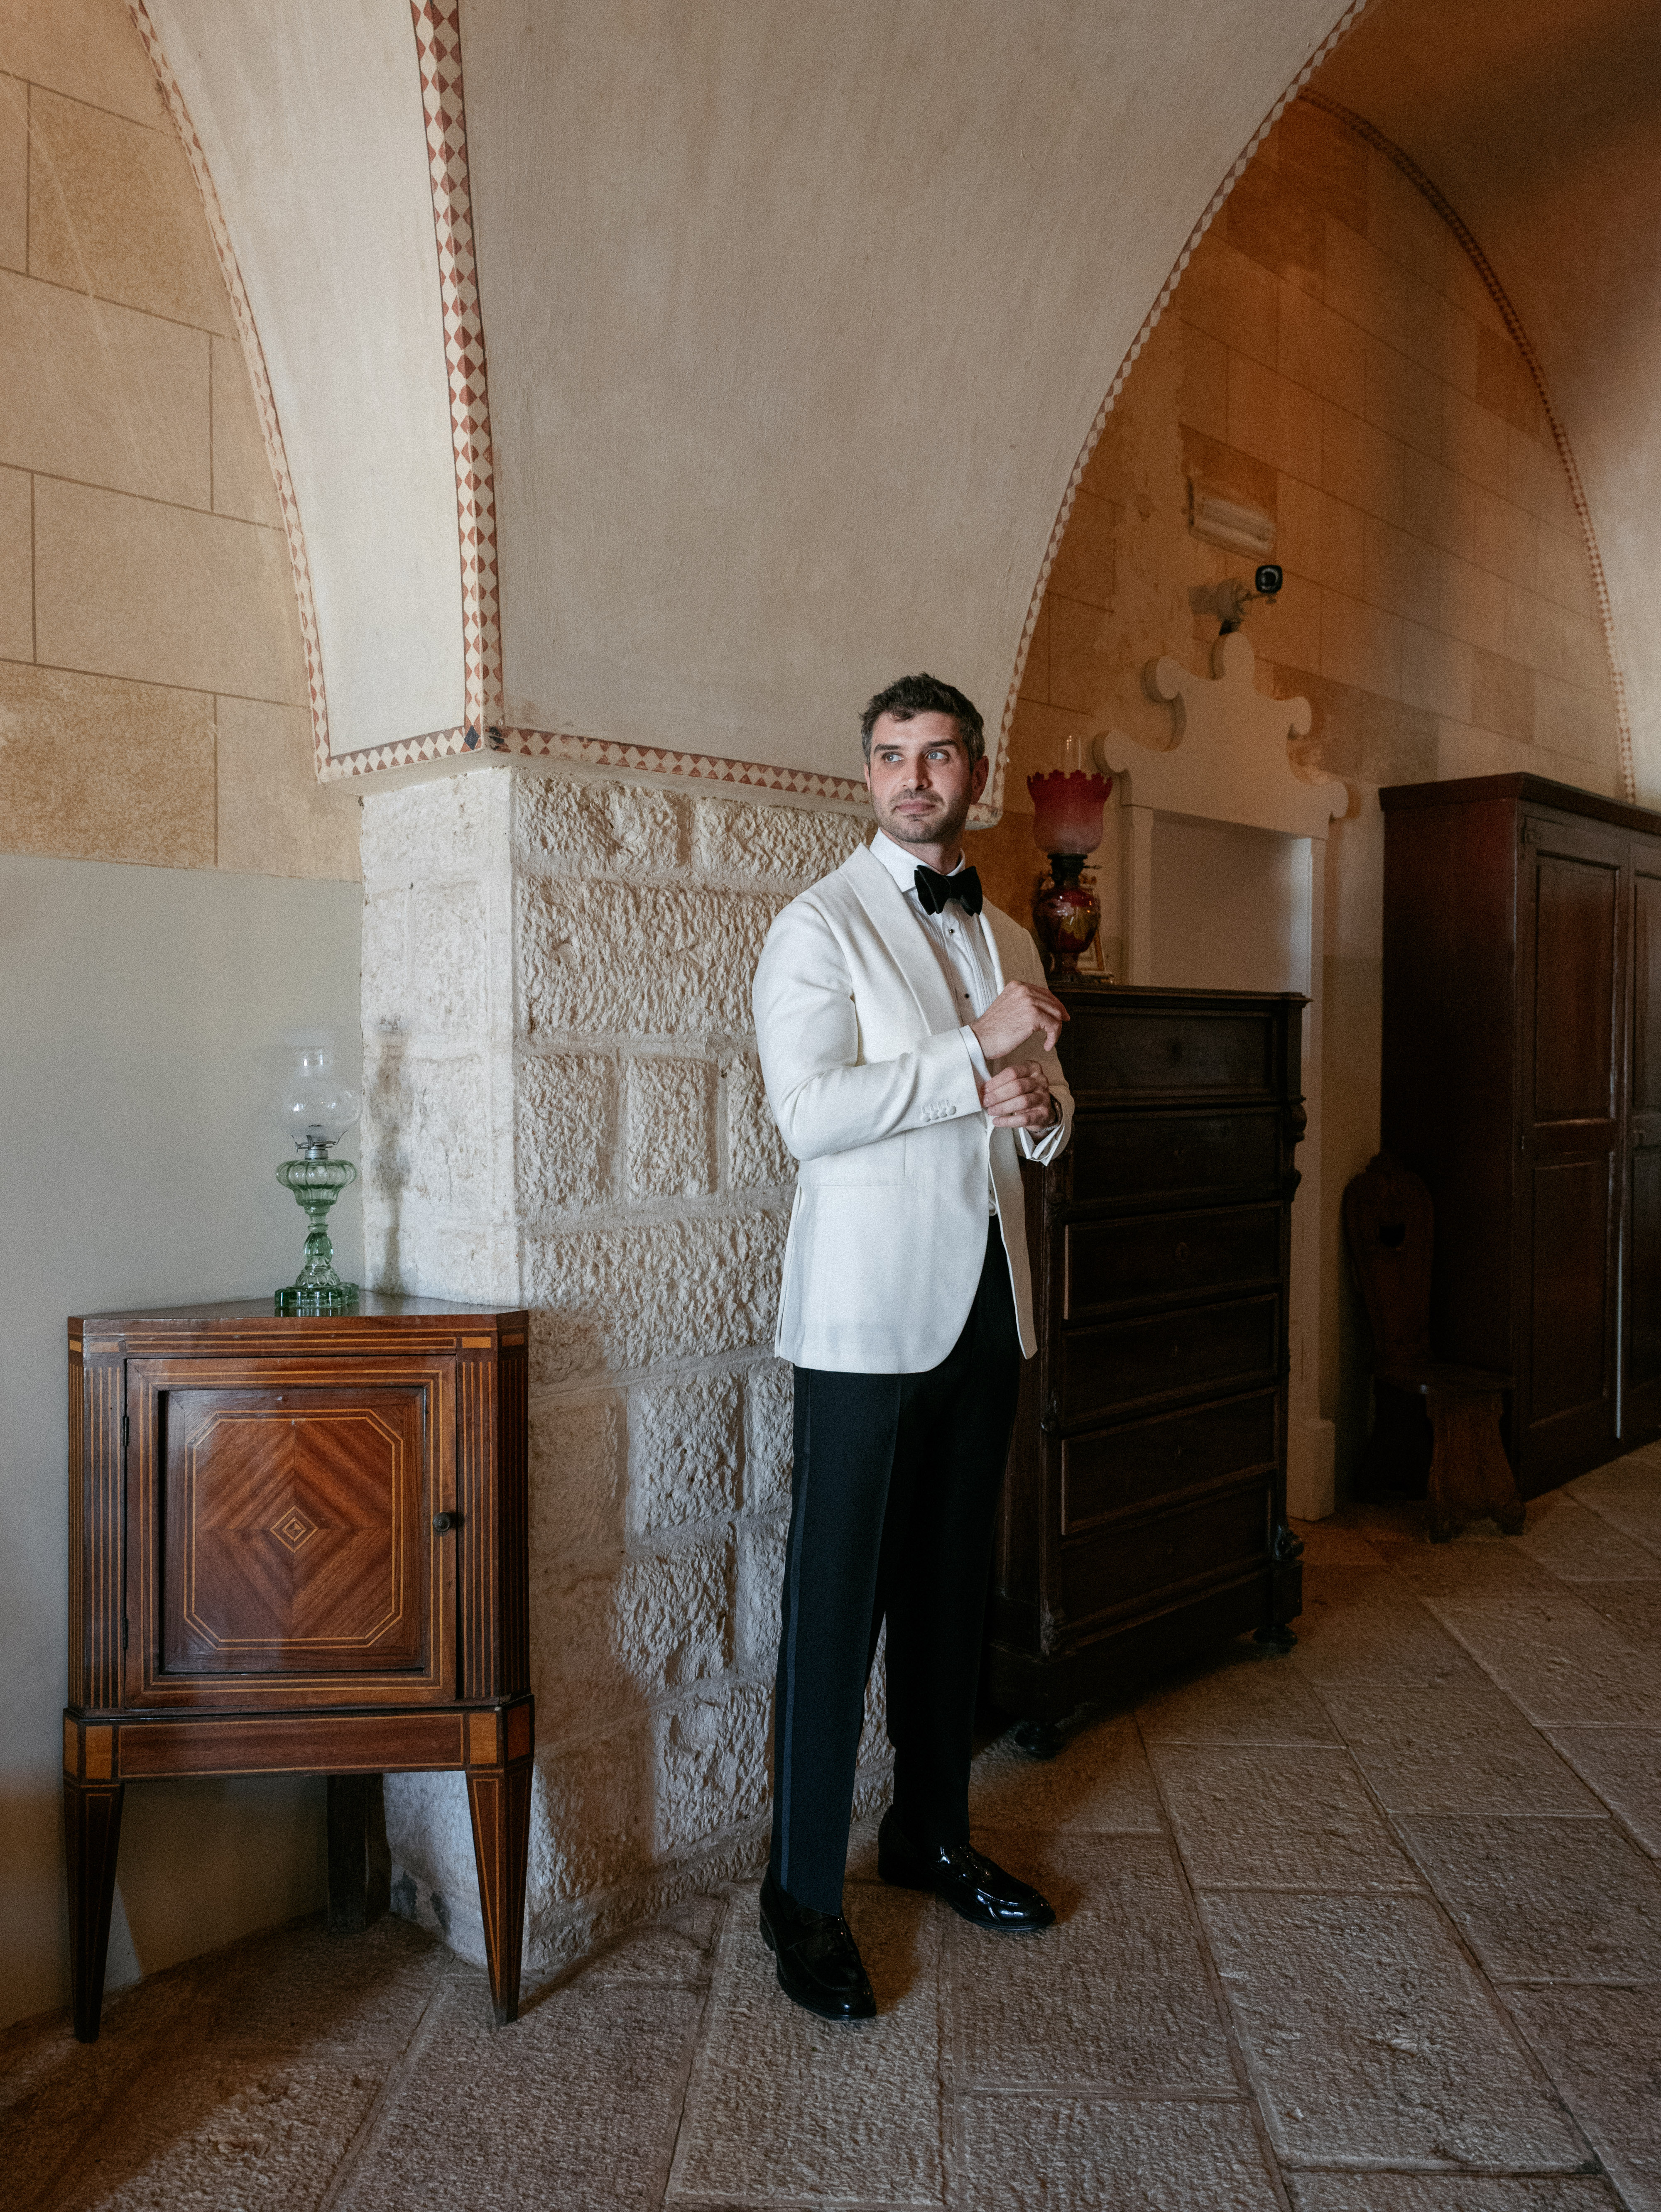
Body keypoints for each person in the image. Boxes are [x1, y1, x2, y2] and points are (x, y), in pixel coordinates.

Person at [751, 671, 1075, 2021]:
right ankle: (801, 1897)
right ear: (868, 773)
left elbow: (1042, 1114)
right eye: (893, 755)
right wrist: (969, 1052)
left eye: (940, 756)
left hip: (988, 1307)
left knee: (949, 1596)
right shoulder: (816, 926)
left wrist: (1044, 1104)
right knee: (837, 1613)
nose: (915, 778)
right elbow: (810, 1116)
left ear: (974, 775)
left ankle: (929, 1833)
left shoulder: (1004, 925)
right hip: (866, 1321)